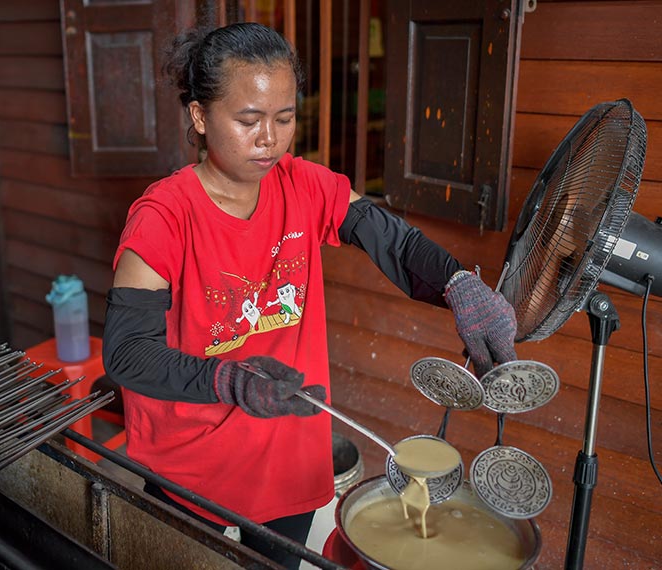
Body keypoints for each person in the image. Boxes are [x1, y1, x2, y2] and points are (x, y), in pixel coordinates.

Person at [102, 22, 517, 568]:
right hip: (191, 459)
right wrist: (225, 378)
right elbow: (128, 352)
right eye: (248, 120)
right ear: (200, 117)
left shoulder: (304, 186)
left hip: (286, 451)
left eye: (285, 118)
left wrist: (457, 282)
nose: (269, 139)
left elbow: (387, 237)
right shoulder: (163, 217)